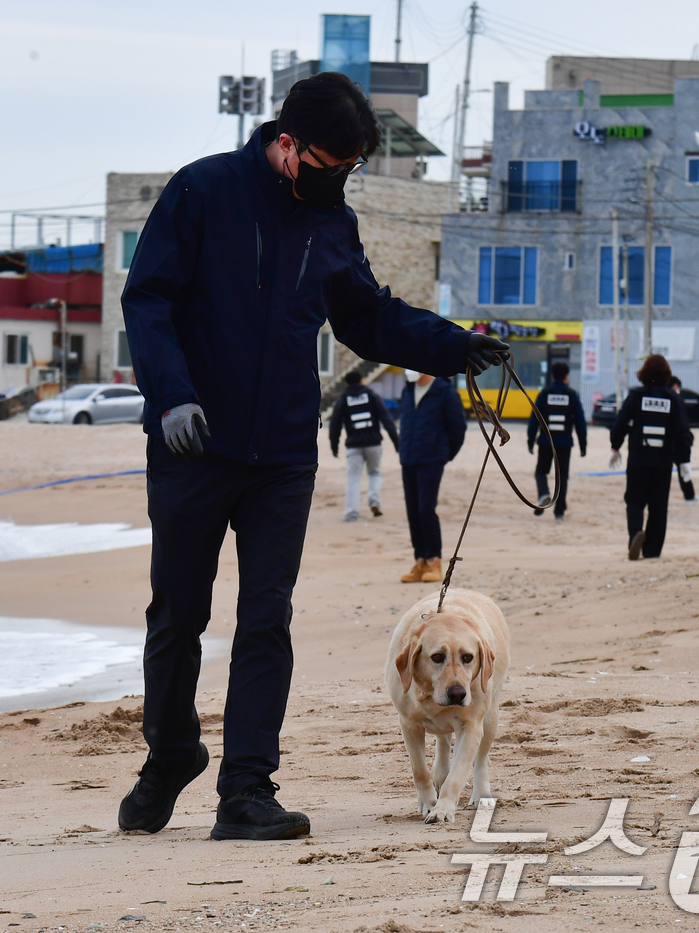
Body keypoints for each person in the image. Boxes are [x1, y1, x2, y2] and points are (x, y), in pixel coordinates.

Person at [118, 71, 509, 841]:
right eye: (333, 165)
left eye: (352, 168)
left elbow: (366, 317)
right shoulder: (202, 192)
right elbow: (148, 298)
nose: (341, 180)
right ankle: (169, 755)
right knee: (178, 614)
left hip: (284, 453)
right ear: (289, 144)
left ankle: (246, 790)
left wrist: (454, 345)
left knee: (267, 617)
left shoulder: (332, 222)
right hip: (192, 441)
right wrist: (171, 396)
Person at [609, 354, 690, 560]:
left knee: (635, 500)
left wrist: (615, 446)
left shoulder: (636, 397)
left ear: (643, 374)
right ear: (667, 375)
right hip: (663, 461)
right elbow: (682, 433)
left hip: (638, 459)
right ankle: (652, 550)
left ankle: (636, 533)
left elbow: (620, 423)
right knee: (658, 506)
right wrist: (684, 461)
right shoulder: (674, 399)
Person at [396, 368, 467, 583]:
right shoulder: (408, 390)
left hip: (431, 459)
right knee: (413, 511)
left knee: (426, 509)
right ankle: (420, 560)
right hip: (409, 458)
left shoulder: (445, 392)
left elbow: (458, 428)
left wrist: (443, 454)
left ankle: (434, 560)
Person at [328, 370, 398, 522]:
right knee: (374, 473)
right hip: (373, 443)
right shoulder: (372, 396)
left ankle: (352, 512)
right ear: (362, 380)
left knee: (353, 478)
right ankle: (374, 501)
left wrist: (334, 446)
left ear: (346, 383)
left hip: (353, 445)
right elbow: (386, 419)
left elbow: (335, 425)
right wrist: (396, 441)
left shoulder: (343, 399)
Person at [527, 361, 587, 521]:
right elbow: (580, 422)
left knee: (541, 472)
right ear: (567, 377)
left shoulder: (544, 394)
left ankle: (544, 494)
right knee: (562, 477)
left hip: (546, 441)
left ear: (552, 376)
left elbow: (534, 419)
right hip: (565, 442)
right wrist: (583, 445)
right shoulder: (572, 395)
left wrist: (530, 440)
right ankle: (559, 512)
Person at [668, 376, 699, 503]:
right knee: (684, 470)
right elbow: (682, 424)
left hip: (665, 441)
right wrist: (688, 439)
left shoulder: (663, 398)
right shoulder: (677, 400)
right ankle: (689, 496)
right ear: (675, 386)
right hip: (678, 441)